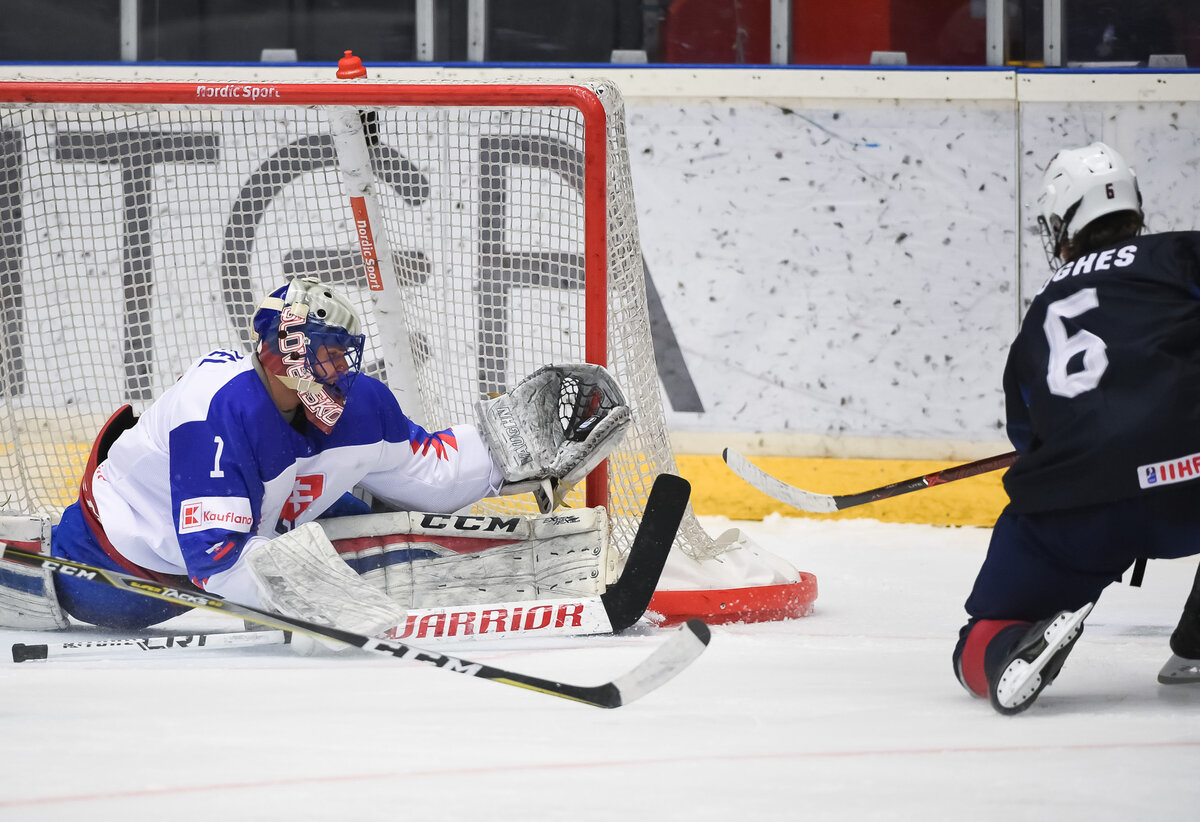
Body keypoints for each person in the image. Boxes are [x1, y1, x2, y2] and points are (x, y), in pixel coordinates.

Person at [0, 276, 630, 638]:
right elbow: (216, 569)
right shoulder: (216, 415)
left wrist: (500, 446)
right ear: (280, 355)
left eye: (343, 354)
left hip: (257, 532)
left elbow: (428, 474)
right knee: (331, 550)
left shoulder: (359, 407)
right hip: (123, 572)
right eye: (322, 353)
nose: (337, 369)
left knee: (369, 518)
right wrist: (319, 598)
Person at [952, 141, 1200, 715]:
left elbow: (1027, 433)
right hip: (1190, 479)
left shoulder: (1041, 310)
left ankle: (1010, 650)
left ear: (1063, 224)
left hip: (1080, 503)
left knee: (977, 638)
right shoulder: (1181, 256)